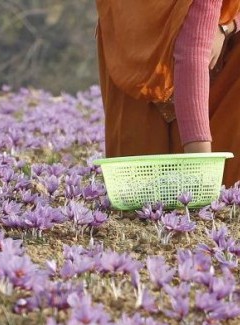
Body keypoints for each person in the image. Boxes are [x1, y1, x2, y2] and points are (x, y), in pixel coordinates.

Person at [96, 0, 240, 186]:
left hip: (218, 74)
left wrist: (227, 25)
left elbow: (194, 47)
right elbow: (192, 51)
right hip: (136, 60)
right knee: (142, 186)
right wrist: (203, 170)